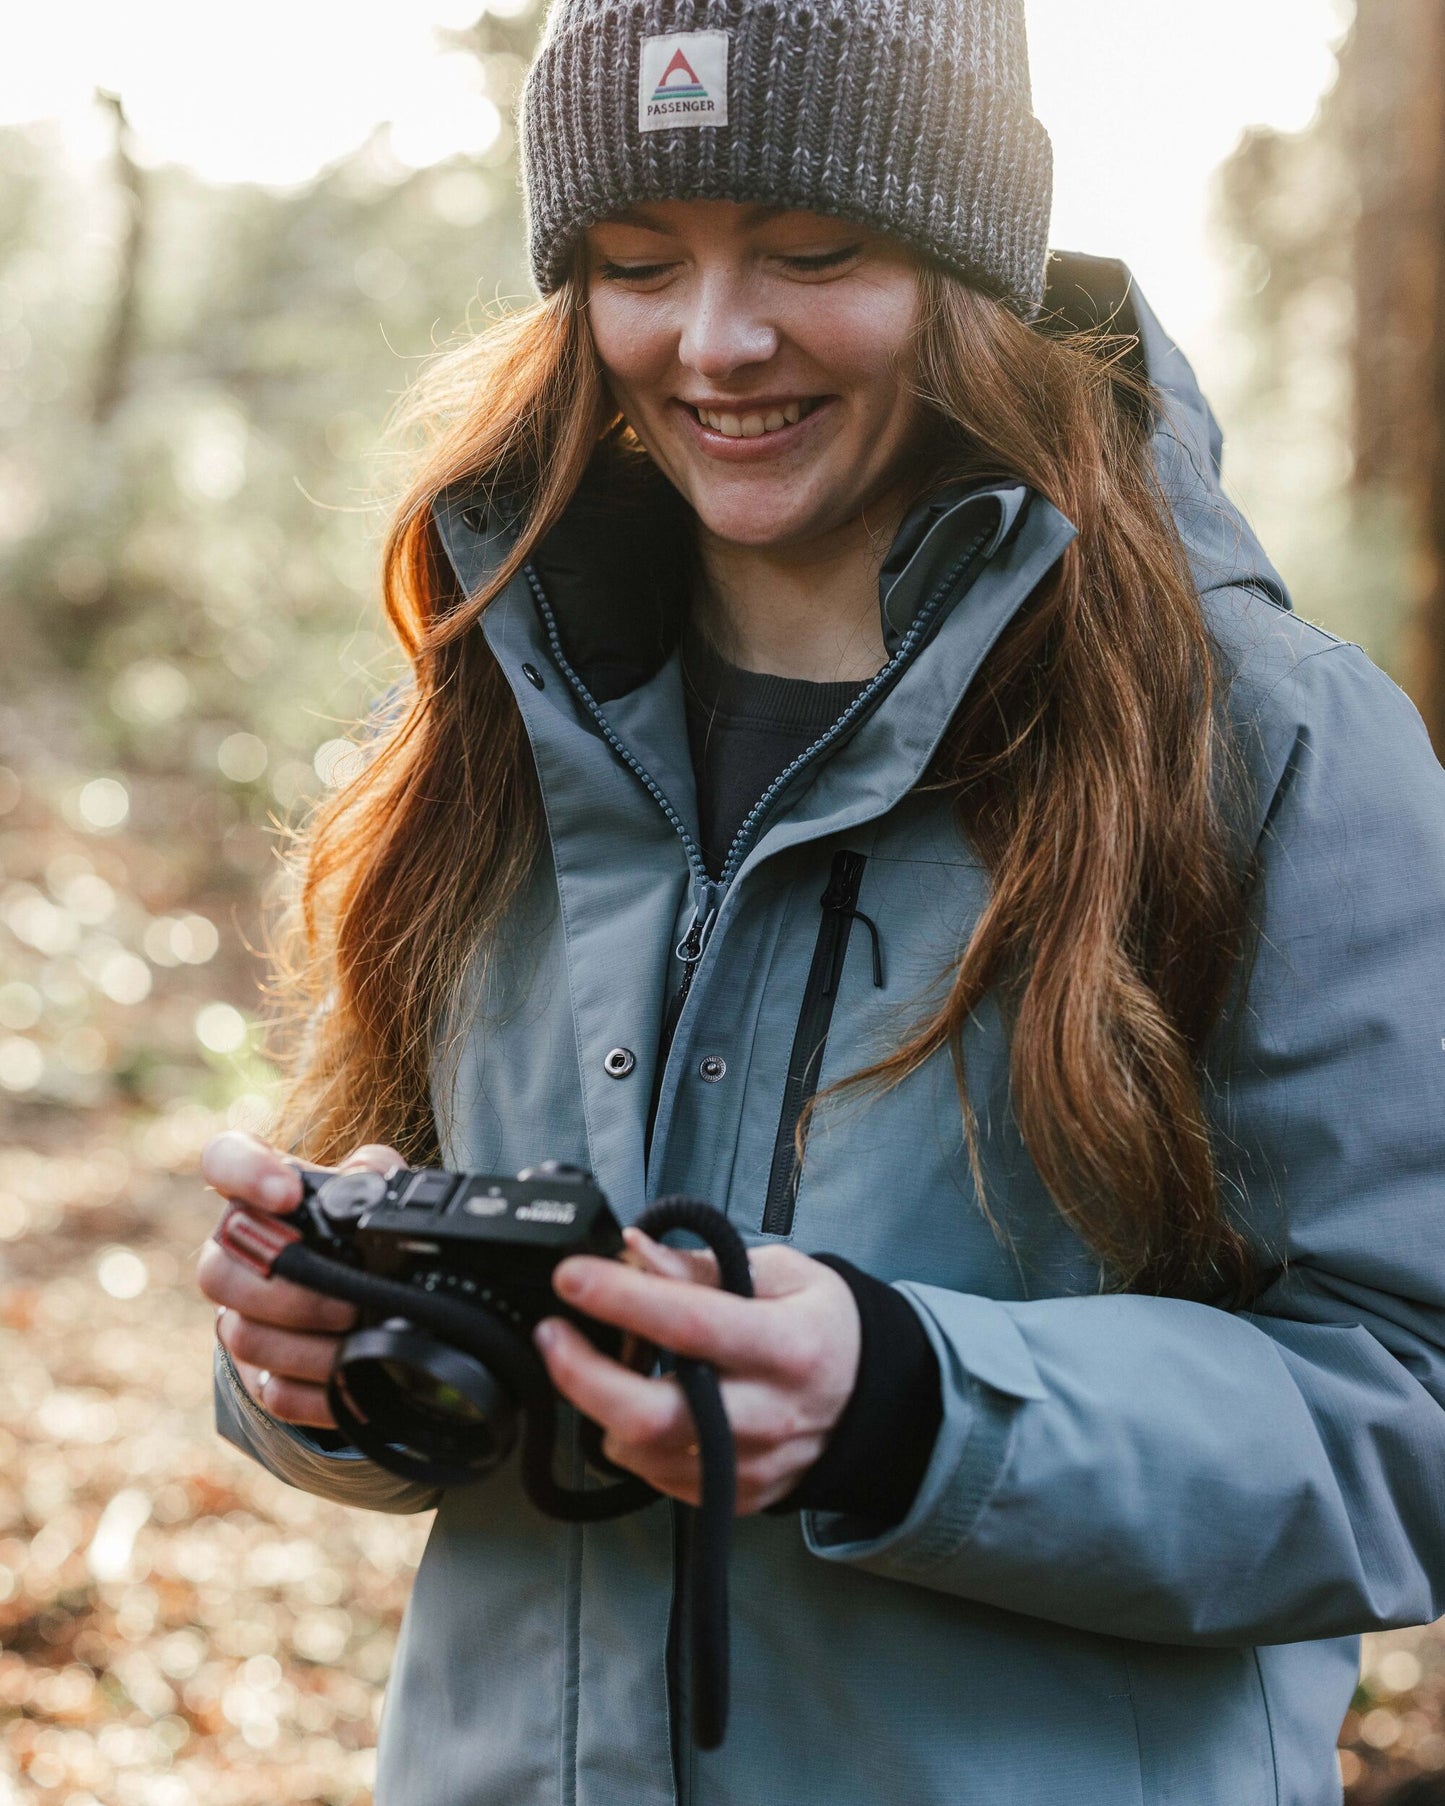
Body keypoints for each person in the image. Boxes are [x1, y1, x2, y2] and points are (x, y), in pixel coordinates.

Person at [196, 1, 1445, 1801]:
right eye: (637, 261)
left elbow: (1407, 1406)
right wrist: (321, 1353)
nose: (712, 339)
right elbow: (436, 1346)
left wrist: (911, 1410)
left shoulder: (1267, 742)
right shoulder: (500, 693)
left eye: (813, 249)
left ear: (971, 266)